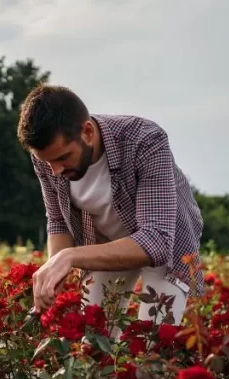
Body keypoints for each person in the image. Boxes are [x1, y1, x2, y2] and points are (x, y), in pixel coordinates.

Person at [16, 84, 203, 329]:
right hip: (104, 242)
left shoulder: (145, 140)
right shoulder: (49, 155)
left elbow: (156, 240)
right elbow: (58, 220)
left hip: (167, 243)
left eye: (63, 157)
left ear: (88, 132)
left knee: (154, 340)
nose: (56, 171)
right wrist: (55, 270)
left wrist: (69, 256)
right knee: (94, 337)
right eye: (47, 162)